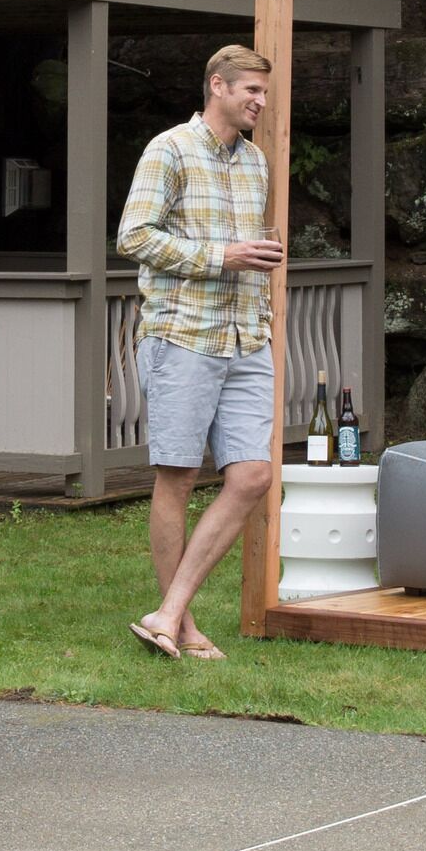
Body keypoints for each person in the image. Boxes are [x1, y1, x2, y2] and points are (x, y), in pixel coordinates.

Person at [116, 42, 284, 664]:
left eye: (263, 94)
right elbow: (134, 235)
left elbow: (246, 245)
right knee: (179, 476)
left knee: (253, 475)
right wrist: (222, 256)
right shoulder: (169, 149)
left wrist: (253, 264)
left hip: (246, 336)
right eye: (252, 92)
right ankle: (179, 625)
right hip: (182, 334)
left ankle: (167, 611)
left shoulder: (256, 161)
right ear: (218, 85)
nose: (260, 104)